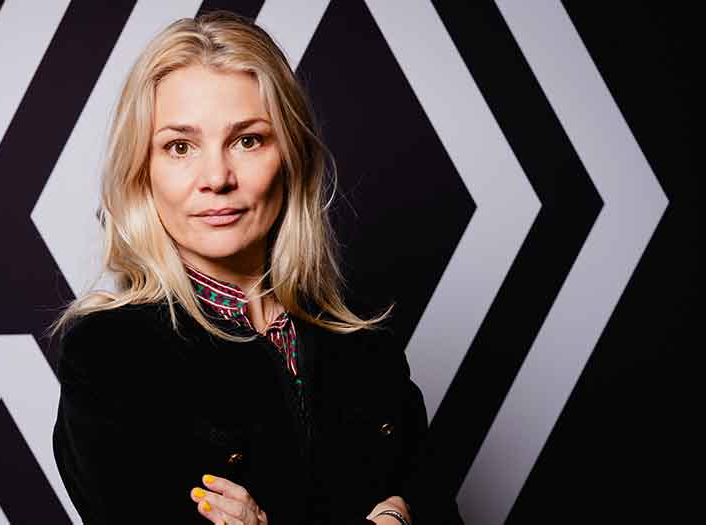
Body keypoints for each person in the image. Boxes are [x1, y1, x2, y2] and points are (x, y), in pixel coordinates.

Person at [50, 10, 463, 525]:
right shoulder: (111, 353)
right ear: (142, 171)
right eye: (180, 147)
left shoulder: (362, 337)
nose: (217, 177)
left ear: (290, 155)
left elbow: (434, 502)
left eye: (247, 140)